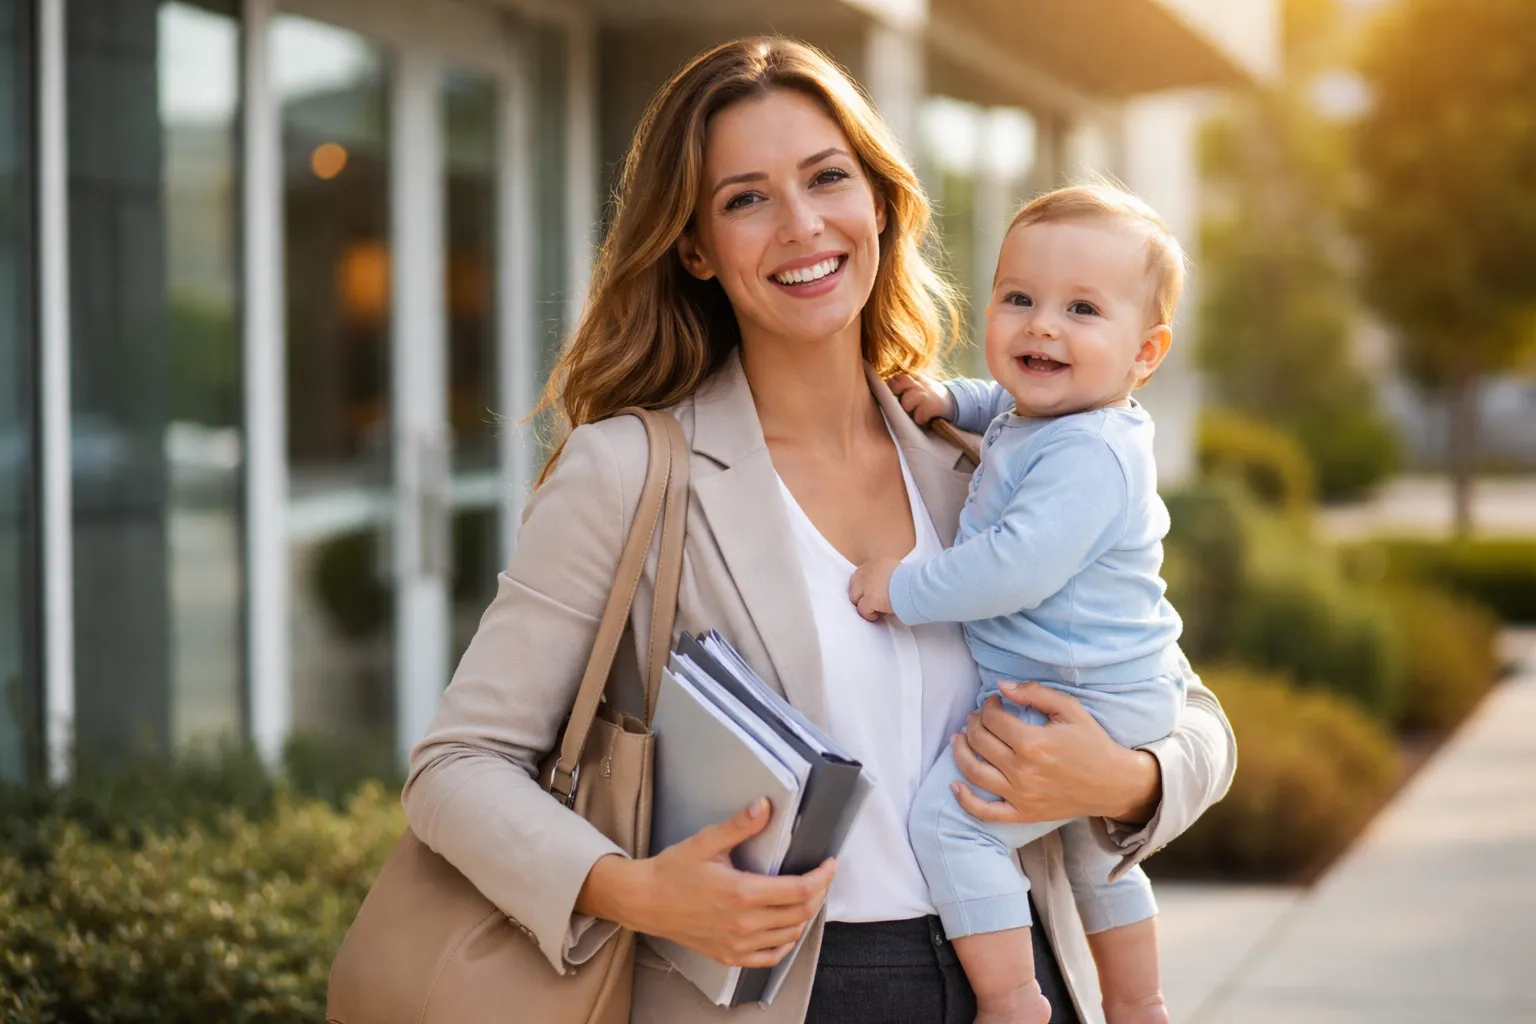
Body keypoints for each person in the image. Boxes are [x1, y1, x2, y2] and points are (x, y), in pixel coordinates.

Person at [402, 37, 1236, 1024]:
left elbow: (1190, 714)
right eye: (746, 197)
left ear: (878, 203)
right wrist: (638, 889)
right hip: (782, 996)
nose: (802, 225)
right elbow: (456, 769)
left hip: (1023, 976)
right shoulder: (629, 472)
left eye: (827, 178)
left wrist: (1127, 779)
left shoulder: (985, 456)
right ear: (697, 247)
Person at [849, 185, 1190, 1024]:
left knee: (956, 827)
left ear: (1144, 353)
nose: (1041, 325)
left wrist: (900, 589)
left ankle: (1010, 1001)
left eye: (1081, 308)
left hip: (1079, 694)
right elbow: (1002, 406)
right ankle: (1137, 1003)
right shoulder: (1065, 413)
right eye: (1018, 298)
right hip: (1107, 686)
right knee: (1092, 851)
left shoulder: (1092, 457)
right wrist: (949, 401)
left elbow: (1011, 568)